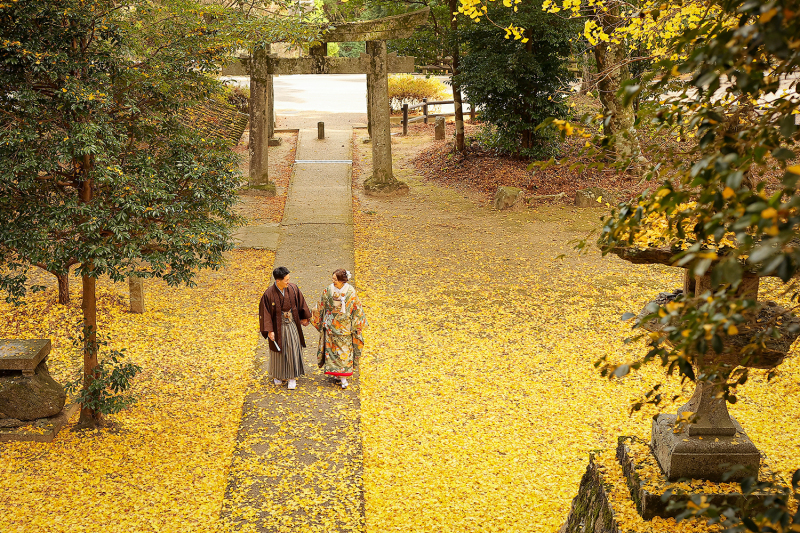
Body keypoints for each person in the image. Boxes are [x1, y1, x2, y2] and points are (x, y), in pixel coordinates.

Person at [310, 268, 367, 389]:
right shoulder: (328, 290)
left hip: (345, 328)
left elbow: (357, 309)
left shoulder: (351, 292)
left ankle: (344, 377)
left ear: (342, 280)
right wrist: (311, 315)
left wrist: (357, 325)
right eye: (332, 279)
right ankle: (336, 374)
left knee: (344, 352)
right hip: (331, 326)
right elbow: (321, 305)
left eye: (335, 279)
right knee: (332, 352)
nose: (333, 281)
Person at [259, 266, 311, 390]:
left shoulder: (293, 288)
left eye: (289, 279)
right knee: (278, 351)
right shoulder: (268, 294)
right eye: (286, 280)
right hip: (278, 326)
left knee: (293, 347)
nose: (288, 281)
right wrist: (270, 330)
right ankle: (278, 375)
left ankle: (292, 377)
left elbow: (301, 302)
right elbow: (265, 313)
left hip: (291, 323)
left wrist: (304, 317)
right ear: (278, 281)